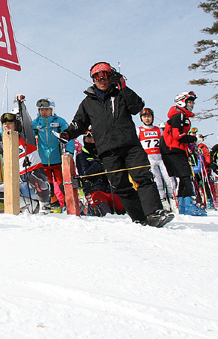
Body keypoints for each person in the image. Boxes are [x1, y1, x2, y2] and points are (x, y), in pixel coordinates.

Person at [61, 62, 175, 227]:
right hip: (107, 151)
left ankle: (154, 212)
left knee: (143, 177)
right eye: (97, 77)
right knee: (120, 185)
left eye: (105, 75)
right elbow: (80, 123)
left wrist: (124, 88)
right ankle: (139, 218)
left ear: (111, 76)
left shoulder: (121, 94)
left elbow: (138, 107)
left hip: (130, 146)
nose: (102, 80)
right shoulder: (88, 102)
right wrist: (67, 134)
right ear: (93, 79)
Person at [162, 91, 206, 217]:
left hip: (175, 150)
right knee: (186, 176)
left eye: (192, 102)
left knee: (183, 176)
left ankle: (183, 205)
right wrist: (194, 139)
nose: (192, 105)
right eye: (189, 102)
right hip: (174, 149)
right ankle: (191, 205)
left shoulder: (181, 115)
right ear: (182, 101)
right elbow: (178, 135)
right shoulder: (179, 115)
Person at [33, 98, 70, 203]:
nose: (43, 112)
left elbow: (69, 138)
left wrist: (69, 153)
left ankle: (69, 204)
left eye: (47, 109)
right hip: (43, 161)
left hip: (58, 160)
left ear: (52, 110)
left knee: (62, 184)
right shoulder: (35, 123)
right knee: (48, 186)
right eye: (41, 110)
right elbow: (30, 140)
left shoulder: (60, 121)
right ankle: (53, 205)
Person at [137, 107, 174, 208]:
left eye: (149, 116)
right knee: (158, 182)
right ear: (141, 119)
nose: (147, 119)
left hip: (161, 158)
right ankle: (163, 203)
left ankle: (174, 201)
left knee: (169, 180)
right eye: (144, 117)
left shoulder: (158, 130)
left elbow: (165, 143)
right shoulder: (139, 130)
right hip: (149, 158)